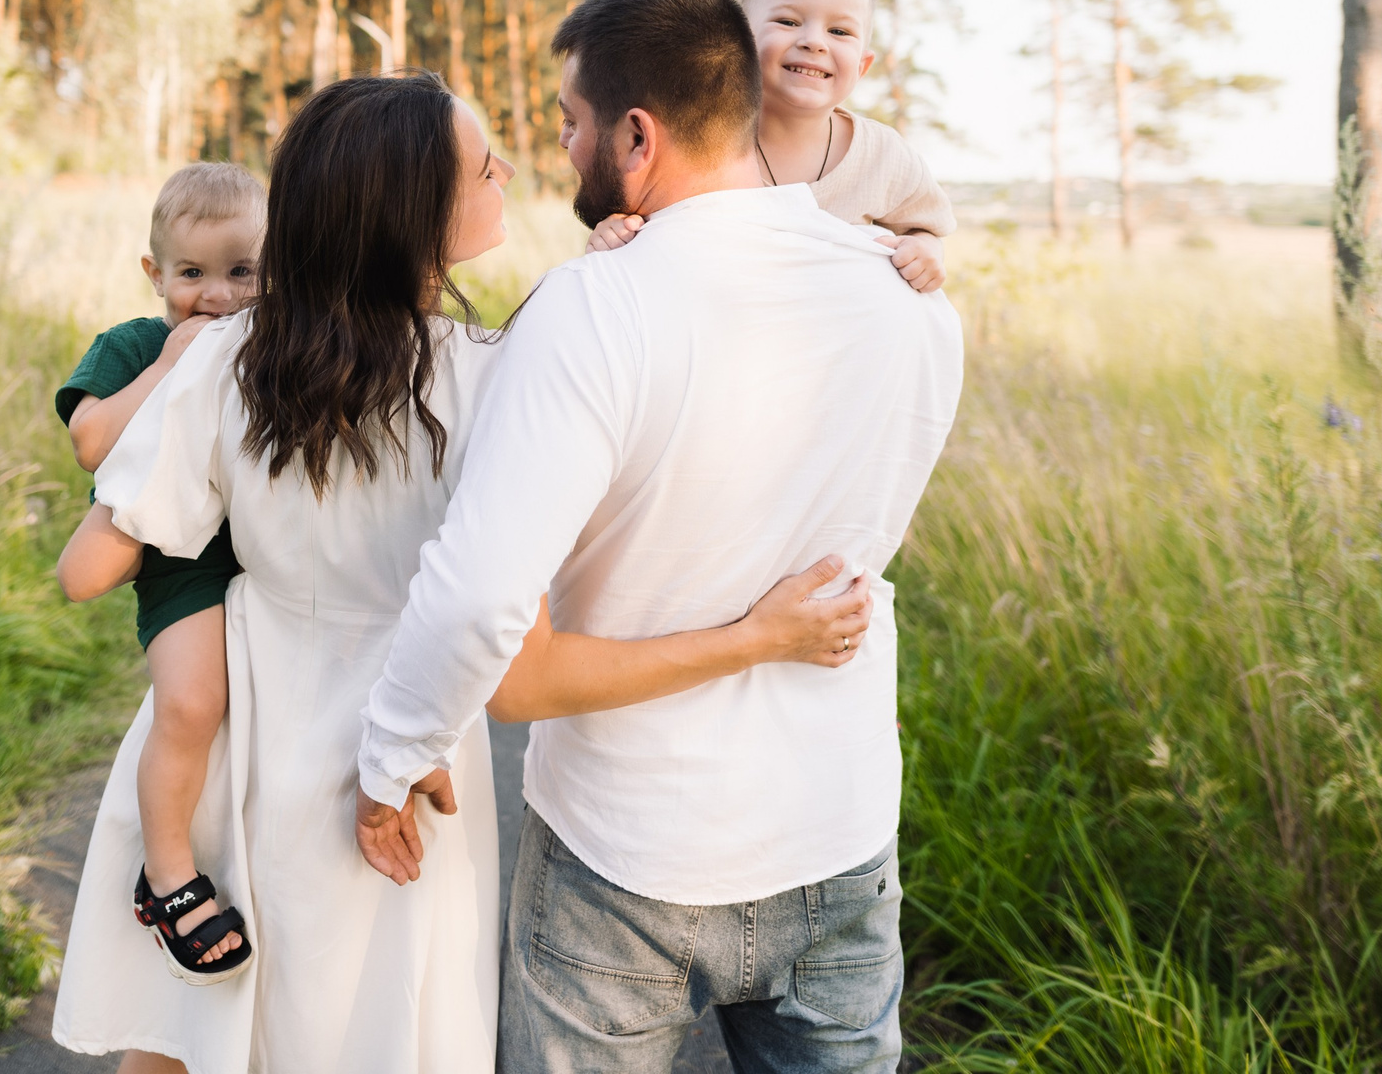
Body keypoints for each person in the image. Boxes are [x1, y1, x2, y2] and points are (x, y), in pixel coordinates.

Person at [52, 72, 871, 1074]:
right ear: (416, 217)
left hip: (248, 715)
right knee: (378, 1019)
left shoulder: (226, 356)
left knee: (213, 1024)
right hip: (407, 725)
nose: (509, 171)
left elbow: (94, 564)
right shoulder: (493, 371)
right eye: (485, 168)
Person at [356, 0, 965, 1074]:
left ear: (637, 137)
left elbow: (483, 601)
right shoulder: (915, 309)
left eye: (570, 122)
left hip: (625, 854)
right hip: (835, 831)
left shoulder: (596, 304)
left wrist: (393, 755)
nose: (560, 148)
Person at [53, 162, 265, 979]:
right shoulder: (135, 345)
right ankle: (168, 873)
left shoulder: (273, 336)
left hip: (266, 551)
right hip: (183, 562)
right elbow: (90, 441)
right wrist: (167, 367)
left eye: (241, 271)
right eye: (191, 274)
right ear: (155, 273)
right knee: (191, 702)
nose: (216, 296)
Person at [584, 0, 954, 293]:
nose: (814, 41)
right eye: (788, 22)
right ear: (740, 43)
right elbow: (648, 210)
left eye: (839, 31)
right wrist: (615, 230)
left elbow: (926, 227)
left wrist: (925, 250)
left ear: (862, 66)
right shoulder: (703, 142)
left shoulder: (883, 155)